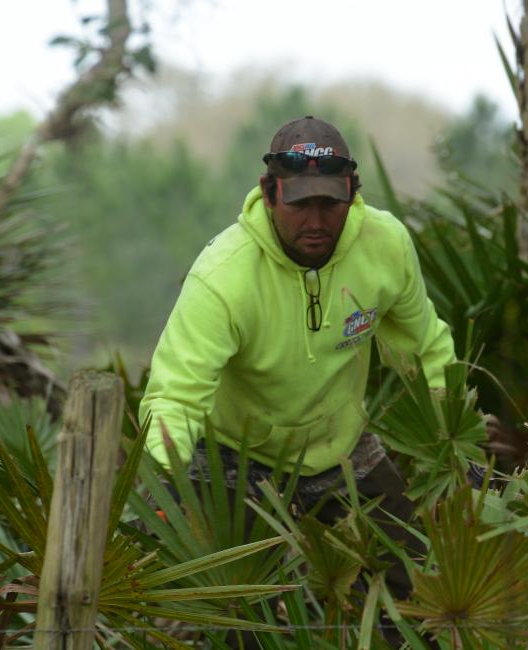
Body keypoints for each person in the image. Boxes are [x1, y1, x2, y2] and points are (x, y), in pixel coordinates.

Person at [139, 115, 456, 599]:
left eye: (330, 203)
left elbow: (425, 349)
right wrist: (168, 484)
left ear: (352, 191)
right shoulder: (223, 277)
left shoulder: (385, 244)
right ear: (269, 193)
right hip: (235, 455)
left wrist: (454, 434)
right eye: (299, 203)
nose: (315, 221)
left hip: (339, 444)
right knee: (241, 610)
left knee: (414, 578)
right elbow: (176, 397)